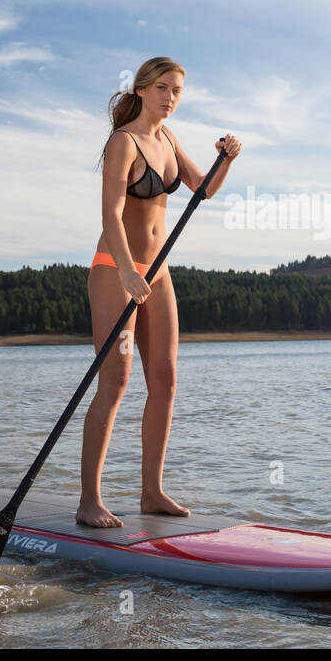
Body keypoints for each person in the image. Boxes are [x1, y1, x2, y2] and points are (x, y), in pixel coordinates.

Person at [79, 57, 242, 528]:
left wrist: (226, 158)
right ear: (143, 89)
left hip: (160, 271)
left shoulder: (168, 139)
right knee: (115, 383)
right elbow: (110, 214)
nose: (171, 97)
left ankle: (151, 492)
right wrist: (128, 271)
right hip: (116, 268)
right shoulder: (123, 142)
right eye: (164, 88)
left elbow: (202, 188)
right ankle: (89, 500)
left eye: (178, 91)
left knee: (166, 382)